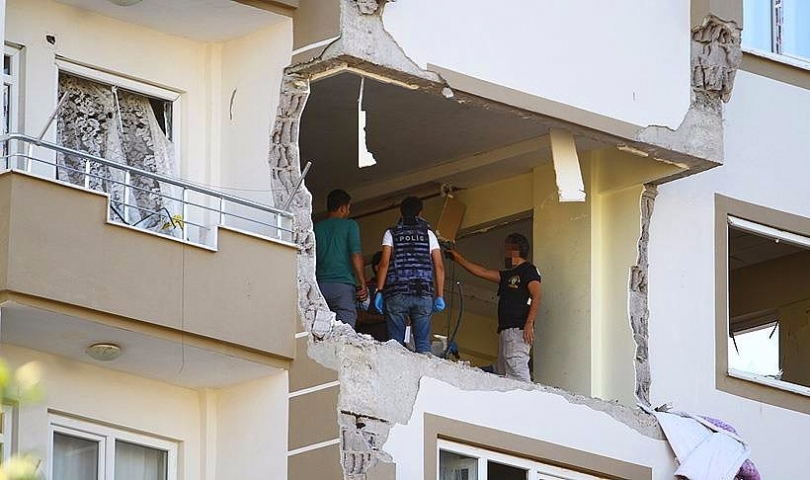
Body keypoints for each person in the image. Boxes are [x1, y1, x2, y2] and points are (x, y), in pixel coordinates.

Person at [447, 233, 541, 382]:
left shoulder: (528, 270)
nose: (504, 254)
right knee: (504, 373)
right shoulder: (508, 275)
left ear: (514, 250)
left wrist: (529, 323)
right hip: (506, 331)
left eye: (507, 249)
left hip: (517, 330)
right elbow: (482, 272)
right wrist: (458, 259)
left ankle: (528, 401)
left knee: (517, 371)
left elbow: (536, 295)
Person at [374, 196, 445, 353]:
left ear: (401, 211)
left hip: (396, 293)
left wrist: (379, 290)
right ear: (420, 213)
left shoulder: (391, 233)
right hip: (423, 293)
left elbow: (384, 264)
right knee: (422, 343)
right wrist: (439, 295)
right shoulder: (429, 235)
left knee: (395, 344)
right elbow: (439, 266)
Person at [314, 189, 367, 328]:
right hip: (343, 286)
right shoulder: (350, 225)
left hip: (320, 286)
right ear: (343, 208)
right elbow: (356, 254)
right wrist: (362, 283)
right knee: (345, 334)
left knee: (321, 331)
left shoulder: (316, 228)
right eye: (348, 208)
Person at [355, 251, 388, 342]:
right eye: (389, 265)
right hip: (368, 345)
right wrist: (385, 318)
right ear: (377, 268)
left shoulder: (397, 291)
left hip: (395, 348)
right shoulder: (365, 290)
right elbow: (358, 316)